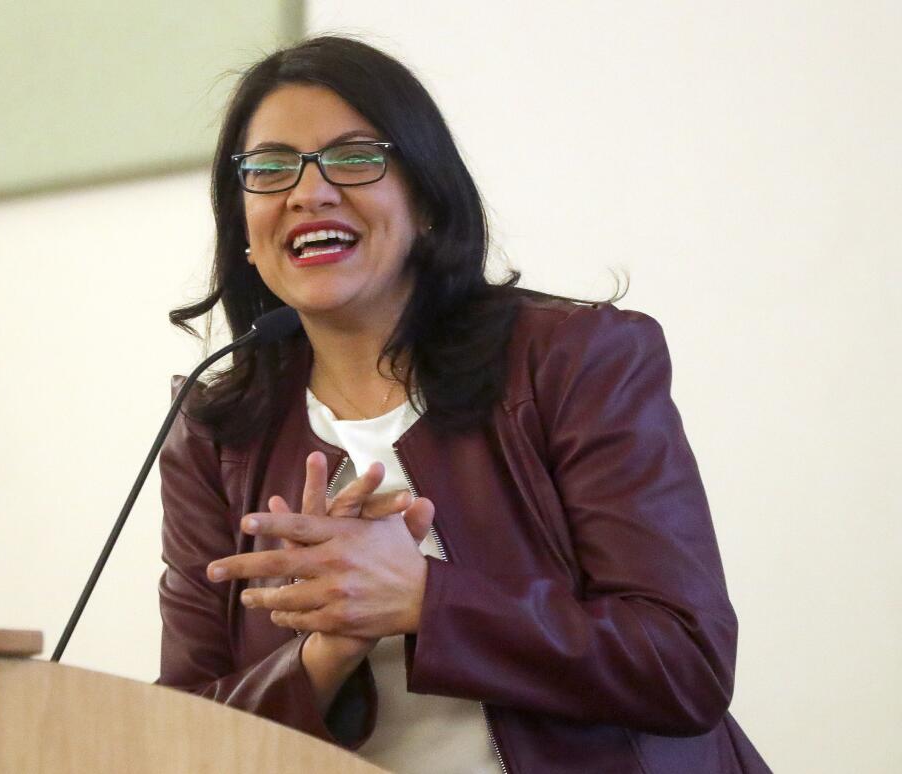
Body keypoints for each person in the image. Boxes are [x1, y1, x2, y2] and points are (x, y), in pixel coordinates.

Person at [157, 36, 770, 774]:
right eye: (270, 168)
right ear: (245, 228)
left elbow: (685, 661)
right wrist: (326, 651)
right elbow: (182, 736)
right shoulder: (217, 435)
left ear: (427, 203)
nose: (307, 192)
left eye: (354, 158)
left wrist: (424, 600)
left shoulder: (572, 361)